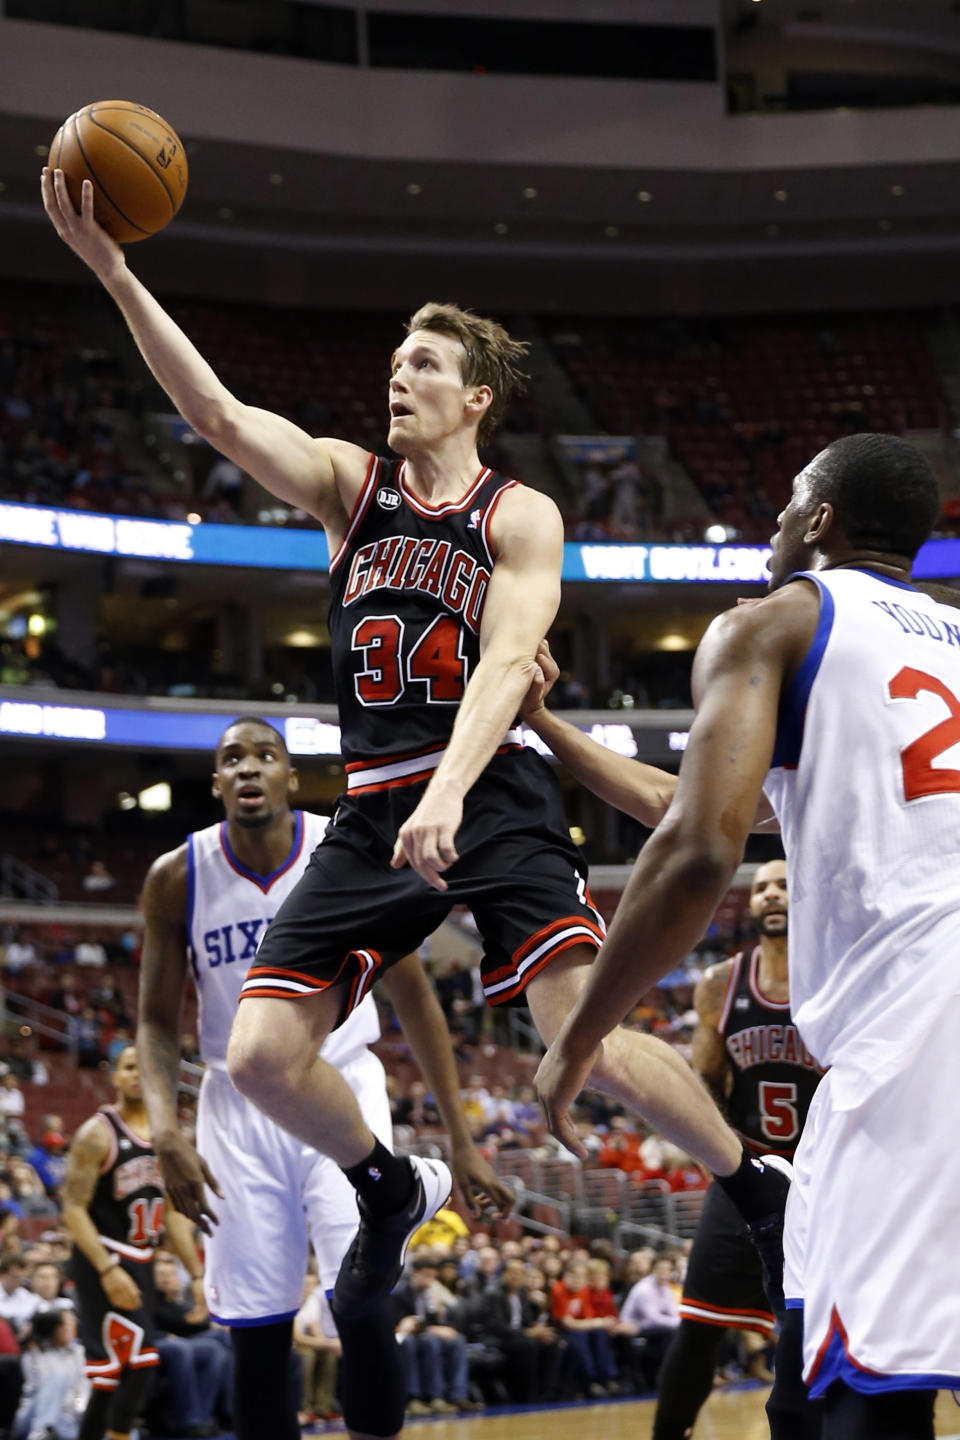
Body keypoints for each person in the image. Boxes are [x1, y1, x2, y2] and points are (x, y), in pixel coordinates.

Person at [41, 164, 789, 1325]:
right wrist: (115, 272)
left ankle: (754, 1187)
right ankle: (387, 1183)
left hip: (490, 790)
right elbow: (220, 419)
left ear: (476, 394)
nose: (400, 375)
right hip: (378, 807)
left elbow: (506, 659)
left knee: (573, 1024)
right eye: (393, 362)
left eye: (425, 363)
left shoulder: (517, 513)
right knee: (255, 1055)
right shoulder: (353, 486)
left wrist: (449, 788)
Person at [534, 432, 959, 1440]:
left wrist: (580, 1036)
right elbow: (698, 801)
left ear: (820, 520)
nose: (769, 531)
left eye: (783, 510)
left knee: (865, 1399)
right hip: (918, 1027)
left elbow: (694, 849)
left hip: (916, 1032)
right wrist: (549, 727)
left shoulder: (772, 626)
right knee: (809, 1384)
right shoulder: (945, 645)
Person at [137, 717, 512, 1440]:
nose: (249, 768)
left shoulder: (340, 851)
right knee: (257, 1326)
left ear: (291, 777)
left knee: (362, 1299)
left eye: (265, 755)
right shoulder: (175, 877)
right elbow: (155, 1022)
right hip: (234, 1103)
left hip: (338, 1089)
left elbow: (413, 997)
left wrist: (462, 1140)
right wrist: (165, 1132)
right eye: (232, 759)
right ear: (216, 783)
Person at [652, 860, 824, 1440]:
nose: (771, 894)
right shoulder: (721, 984)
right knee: (699, 1325)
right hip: (748, 1171)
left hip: (827, 1177)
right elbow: (707, 1086)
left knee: (817, 1325)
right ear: (749, 905)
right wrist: (724, 1166)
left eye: (782, 884)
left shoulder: (837, 974)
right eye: (760, 887)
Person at [61, 1046, 203, 1440]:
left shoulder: (167, 1138)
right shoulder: (96, 1133)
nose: (138, 1074)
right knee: (140, 1363)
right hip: (102, 1259)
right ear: (115, 1077)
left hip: (141, 1259)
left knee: (111, 1375)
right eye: (128, 1067)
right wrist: (107, 1269)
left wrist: (195, 1274)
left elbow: (173, 1215)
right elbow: (72, 1209)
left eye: (147, 1067)